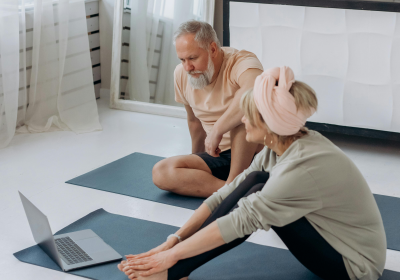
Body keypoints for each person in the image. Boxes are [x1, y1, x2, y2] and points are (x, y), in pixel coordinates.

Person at [119, 66, 387, 280]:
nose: (242, 120)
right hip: (330, 239)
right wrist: (173, 241)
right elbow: (226, 193)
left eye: (247, 115)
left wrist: (172, 258)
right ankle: (175, 268)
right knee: (253, 181)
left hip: (354, 267)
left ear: (268, 124)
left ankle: (172, 272)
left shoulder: (302, 167)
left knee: (257, 196)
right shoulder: (282, 144)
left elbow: (240, 221)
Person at [152, 20, 264, 198]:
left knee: (245, 111)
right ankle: (235, 189)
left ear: (212, 49)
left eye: (192, 58)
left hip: (254, 153)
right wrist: (195, 161)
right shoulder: (181, 74)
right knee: (161, 172)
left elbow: (253, 89)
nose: (188, 67)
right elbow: (194, 122)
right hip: (218, 153)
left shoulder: (241, 61)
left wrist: (218, 129)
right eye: (182, 60)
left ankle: (235, 182)